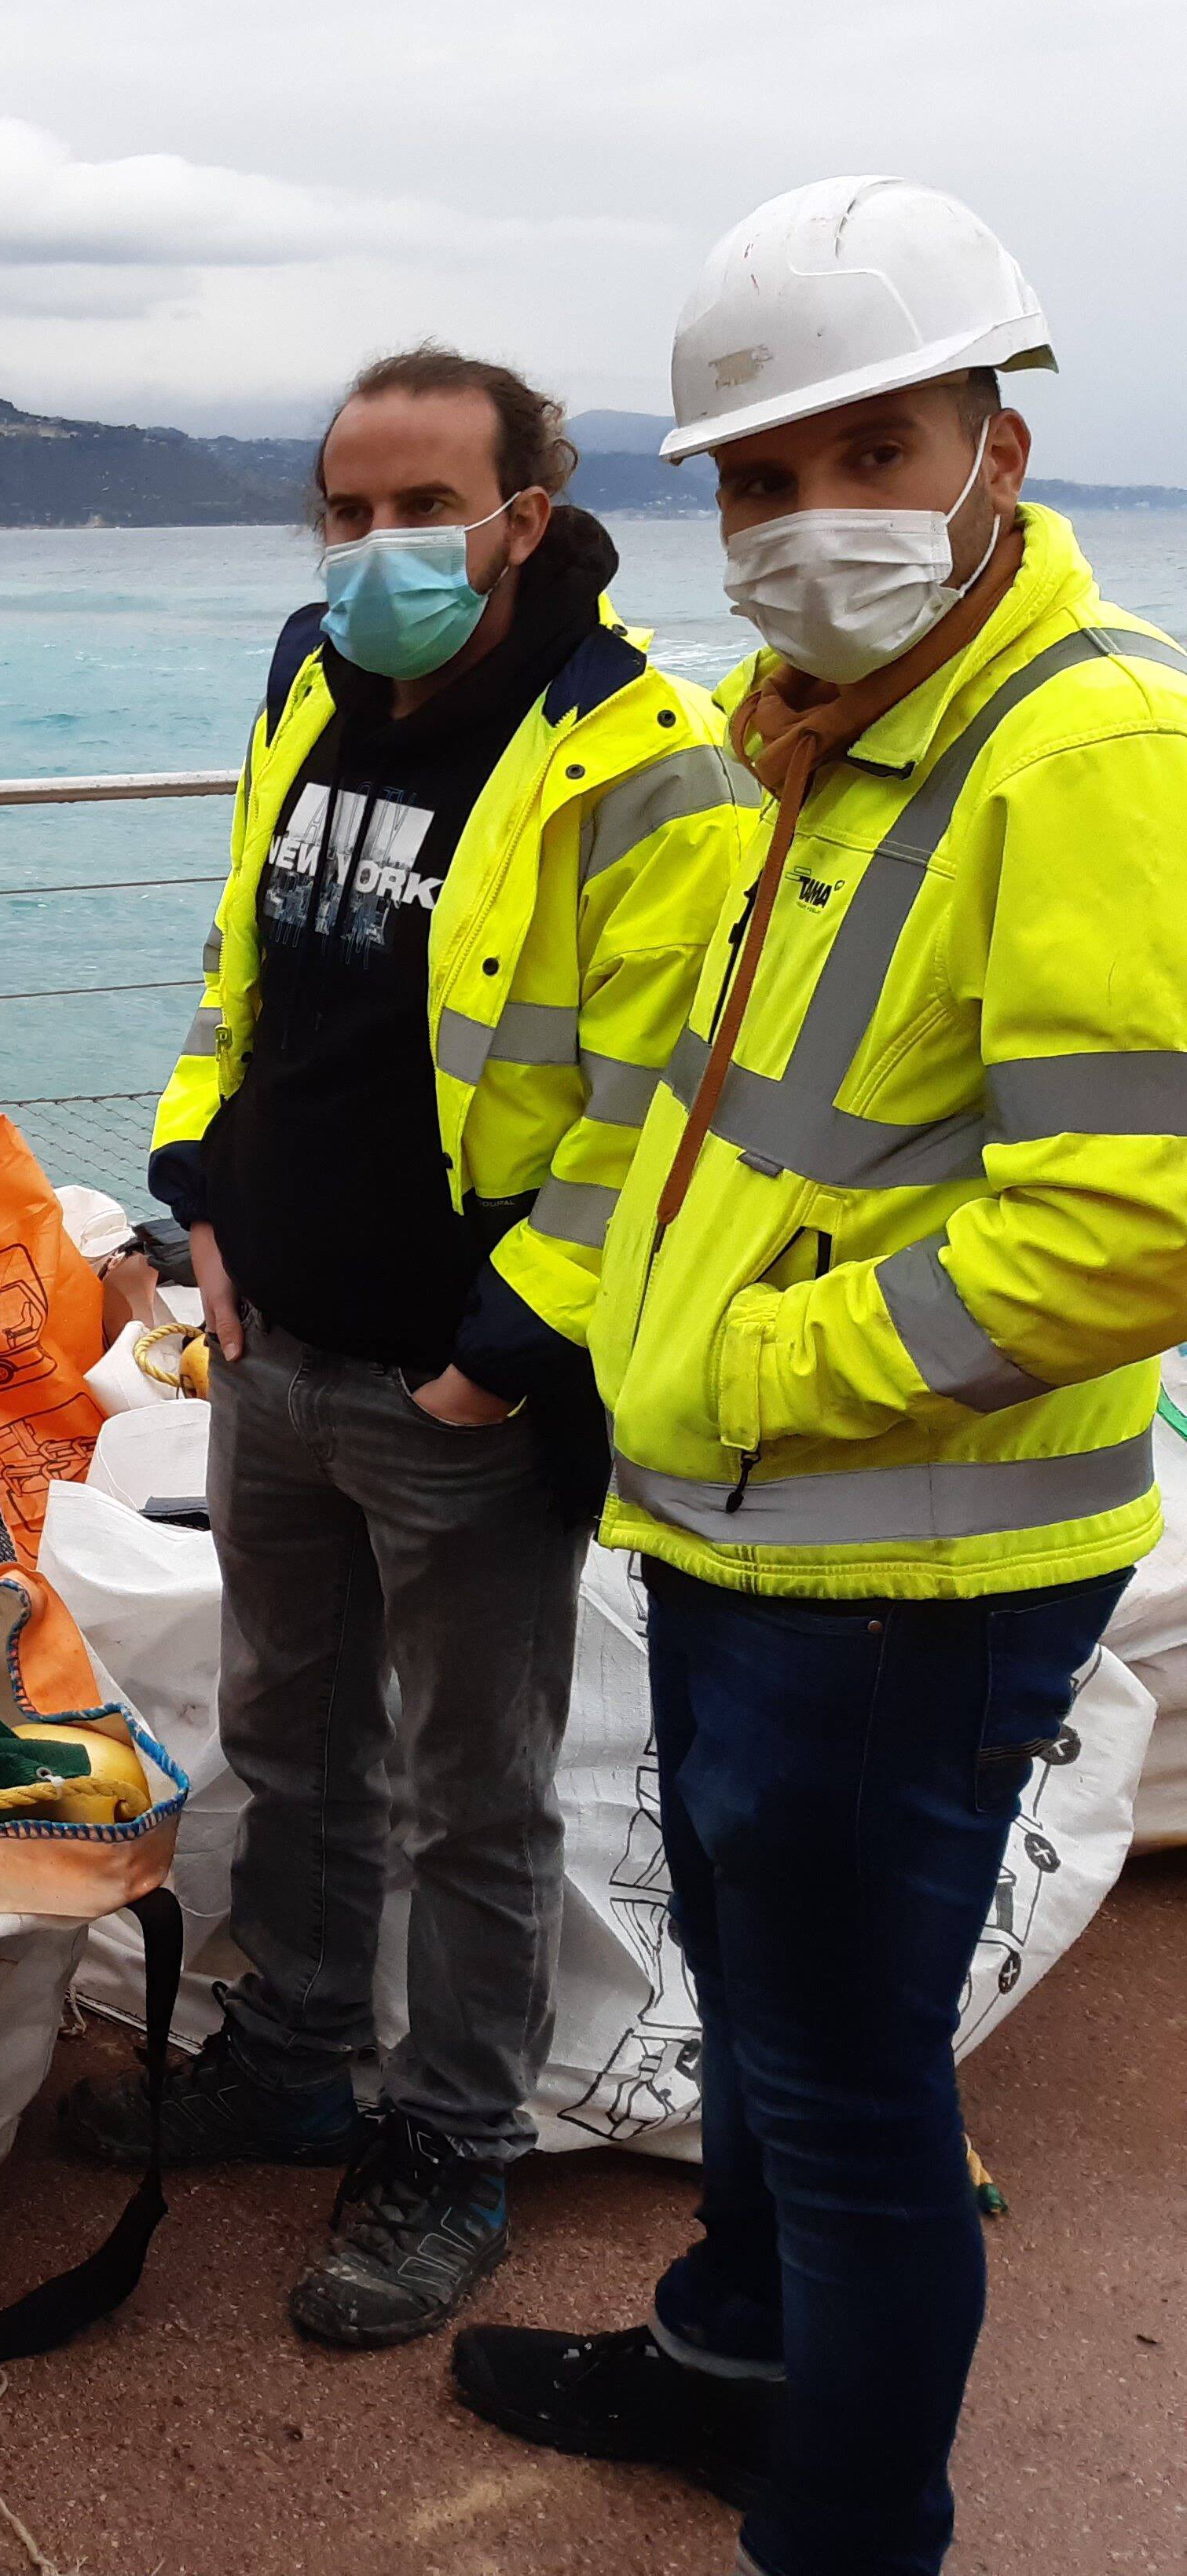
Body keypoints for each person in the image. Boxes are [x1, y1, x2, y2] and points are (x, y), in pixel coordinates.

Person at [452, 178, 1187, 2574]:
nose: (802, 521)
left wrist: (758, 1371)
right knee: (771, 2028)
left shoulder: (1081, 754)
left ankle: (842, 2528)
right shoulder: (839, 734)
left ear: (999, 442)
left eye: (869, 453)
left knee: (858, 2097)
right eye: (759, 480)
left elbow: (1130, 1222)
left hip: (909, 1556)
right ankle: (729, 2356)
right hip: (761, 1524)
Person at [60, 347, 756, 2347]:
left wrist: (503, 1352)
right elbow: (252, 962)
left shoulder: (646, 760)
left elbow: (657, 1100)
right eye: (348, 511)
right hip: (272, 1335)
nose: (378, 549)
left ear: (524, 514)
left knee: (477, 1792)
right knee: (291, 1735)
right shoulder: (307, 672)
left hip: (461, 1384)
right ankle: (289, 2051)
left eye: (423, 509)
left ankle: (448, 2140)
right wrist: (200, 1195)